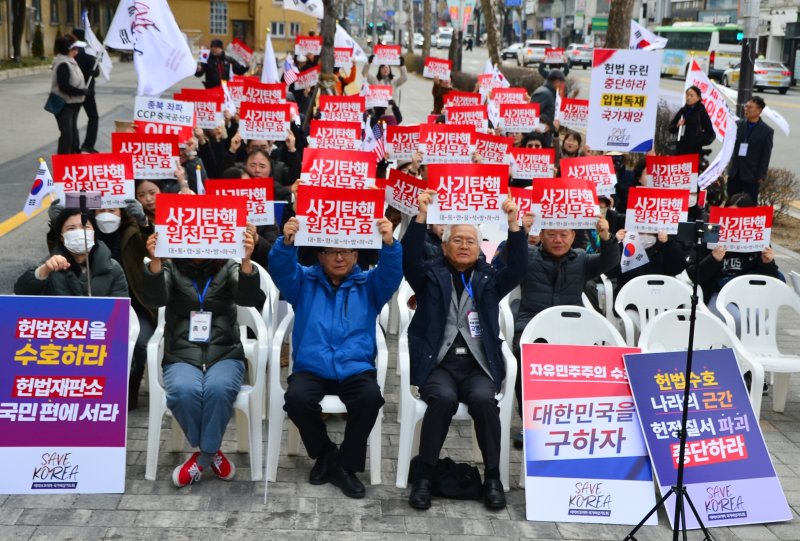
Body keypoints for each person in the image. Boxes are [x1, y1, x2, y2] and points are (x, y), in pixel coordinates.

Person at [402, 189, 526, 511]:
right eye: (457, 240)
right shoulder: (430, 276)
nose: (464, 245)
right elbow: (409, 259)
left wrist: (514, 226)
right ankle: (425, 477)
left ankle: (493, 479)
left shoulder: (489, 279)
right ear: (445, 245)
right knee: (441, 399)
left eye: (471, 241)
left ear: (479, 248)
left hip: (477, 366)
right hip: (439, 364)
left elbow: (518, 269)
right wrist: (420, 218)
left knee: (486, 401)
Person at [268, 216, 402, 499]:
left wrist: (389, 244)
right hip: (312, 367)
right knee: (296, 399)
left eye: (346, 251)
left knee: (369, 398)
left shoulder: (369, 285)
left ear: (356, 254)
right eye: (331, 251)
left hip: (355, 367)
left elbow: (391, 274)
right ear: (320, 255)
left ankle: (346, 466)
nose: (339, 257)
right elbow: (281, 270)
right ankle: (326, 453)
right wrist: (286, 243)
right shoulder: (304, 281)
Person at [141, 230, 265, 487]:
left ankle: (203, 457)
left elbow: (248, 298)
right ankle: (212, 454)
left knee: (219, 389)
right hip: (181, 354)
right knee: (183, 391)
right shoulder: (171, 265)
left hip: (225, 352)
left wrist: (245, 262)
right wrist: (155, 262)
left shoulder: (228, 264)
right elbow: (154, 298)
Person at [507, 216, 618, 446]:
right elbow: (509, 258)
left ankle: (578, 420)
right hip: (533, 324)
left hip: (573, 327)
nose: (558, 239)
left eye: (564, 234)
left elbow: (610, 261)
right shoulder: (529, 255)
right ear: (543, 235)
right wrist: (521, 233)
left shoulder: (581, 260)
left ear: (573, 236)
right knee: (524, 354)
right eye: (551, 234)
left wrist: (606, 236)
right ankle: (530, 422)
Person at [15, 208, 128, 297]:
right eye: (71, 228)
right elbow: (20, 292)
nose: (79, 232)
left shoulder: (113, 268)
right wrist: (43, 271)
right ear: (61, 237)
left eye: (85, 227)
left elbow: (120, 309)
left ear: (94, 234)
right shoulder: (50, 265)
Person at [727, 96, 774, 202]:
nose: (746, 109)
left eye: (750, 107)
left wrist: (761, 175)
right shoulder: (738, 125)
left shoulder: (767, 131)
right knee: (731, 201)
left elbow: (765, 154)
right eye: (746, 106)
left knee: (749, 203)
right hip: (735, 172)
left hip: (752, 174)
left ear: (759, 110)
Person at [50, 35, 88, 154]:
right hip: (65, 104)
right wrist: (81, 91)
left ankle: (73, 158)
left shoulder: (71, 62)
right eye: (75, 47)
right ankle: (63, 161)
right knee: (67, 134)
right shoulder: (63, 64)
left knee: (72, 133)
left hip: (74, 104)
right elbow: (64, 86)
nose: (77, 50)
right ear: (68, 49)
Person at [70, 28, 100, 153]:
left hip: (73, 90)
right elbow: (96, 72)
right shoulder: (89, 51)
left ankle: (74, 146)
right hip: (87, 91)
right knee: (93, 117)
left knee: (72, 120)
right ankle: (88, 145)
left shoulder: (71, 51)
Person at [668, 85, 715, 158]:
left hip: (694, 151)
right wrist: (677, 125)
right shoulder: (683, 110)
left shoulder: (701, 111)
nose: (688, 98)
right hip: (680, 149)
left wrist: (697, 141)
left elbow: (709, 132)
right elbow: (670, 128)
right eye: (687, 95)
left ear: (698, 98)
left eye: (691, 95)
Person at [530, 69, 566, 147]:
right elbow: (531, 115)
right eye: (562, 83)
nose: (562, 86)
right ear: (556, 82)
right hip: (539, 138)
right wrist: (542, 126)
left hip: (545, 135)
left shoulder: (551, 93)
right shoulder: (544, 93)